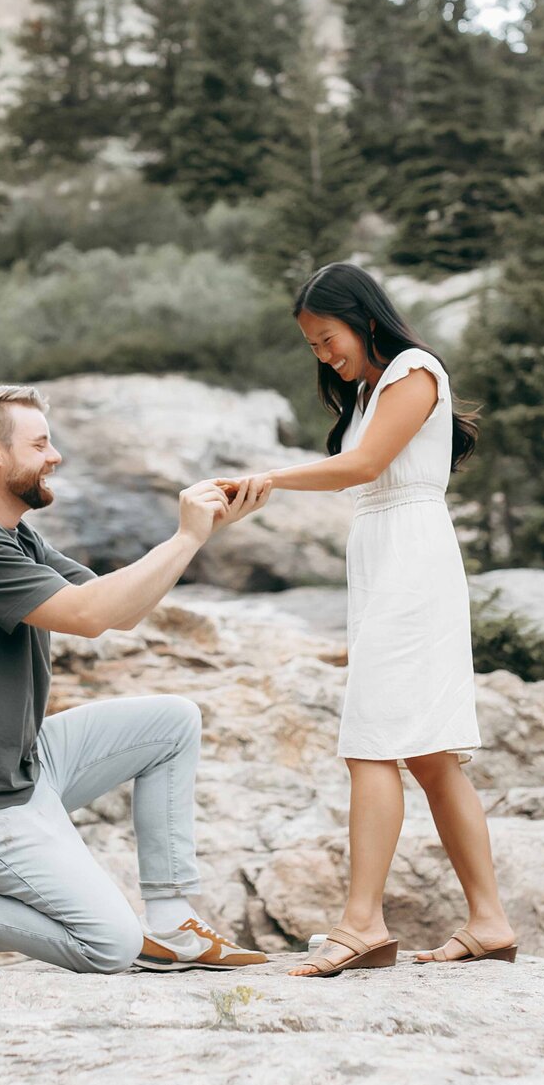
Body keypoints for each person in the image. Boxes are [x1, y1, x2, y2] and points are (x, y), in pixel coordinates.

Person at [0, 384, 273, 973]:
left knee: (173, 722)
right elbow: (88, 617)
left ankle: (172, 922)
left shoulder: (17, 534)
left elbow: (120, 610)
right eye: (40, 444)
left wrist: (200, 534)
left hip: (23, 767)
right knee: (108, 945)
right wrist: (185, 537)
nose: (55, 456)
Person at [217, 262, 516, 974]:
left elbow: (365, 465)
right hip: (388, 560)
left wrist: (269, 478)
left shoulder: (413, 371)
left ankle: (362, 923)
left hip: (412, 560)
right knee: (429, 755)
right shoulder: (366, 390)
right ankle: (490, 922)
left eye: (327, 338)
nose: (323, 355)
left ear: (363, 317)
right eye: (313, 346)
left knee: (372, 740)